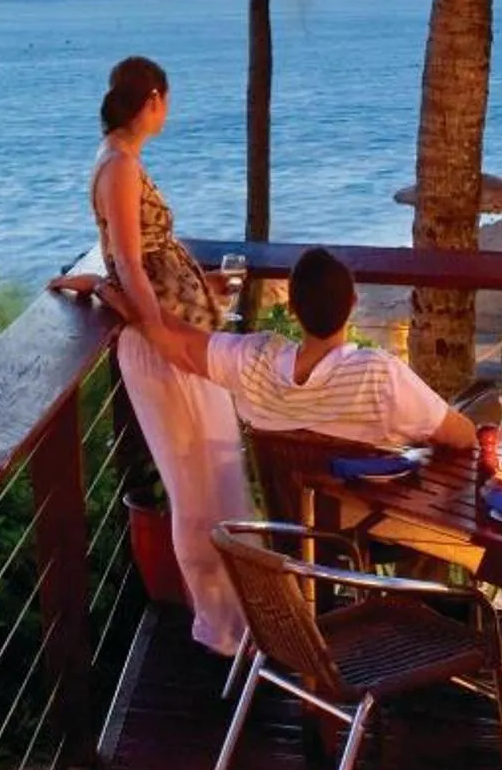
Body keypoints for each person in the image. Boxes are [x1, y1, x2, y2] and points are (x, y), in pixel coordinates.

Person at [79, 56, 250, 657]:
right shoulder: (120, 166)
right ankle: (221, 623)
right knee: (197, 484)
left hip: (178, 340)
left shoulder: (119, 160)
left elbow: (133, 258)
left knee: (214, 477)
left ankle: (241, 616)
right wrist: (156, 328)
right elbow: (126, 258)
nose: (169, 110)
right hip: (165, 348)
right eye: (167, 99)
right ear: (152, 98)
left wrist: (198, 288)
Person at [140, 246, 474, 451]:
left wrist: (118, 295)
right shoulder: (379, 376)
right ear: (353, 303)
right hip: (364, 530)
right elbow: (463, 436)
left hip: (288, 528)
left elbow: (178, 344)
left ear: (293, 309)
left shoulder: (254, 361)